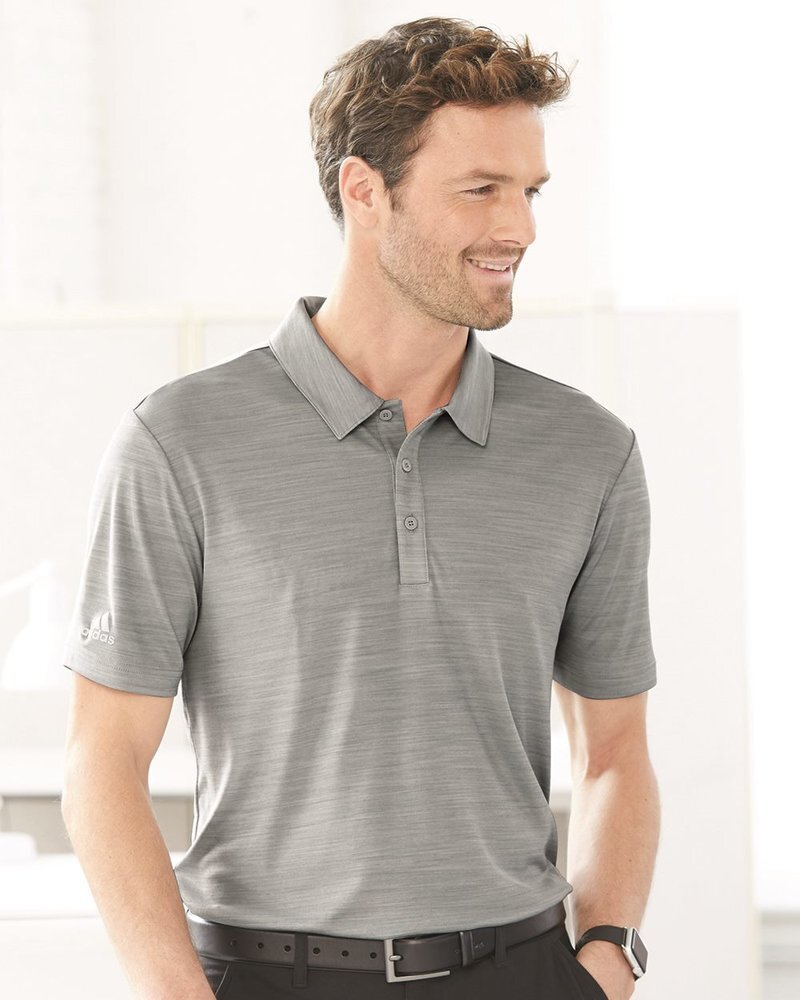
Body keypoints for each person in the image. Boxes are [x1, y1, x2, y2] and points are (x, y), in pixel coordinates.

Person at [60, 15, 660, 1000]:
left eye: (530, 190)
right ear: (364, 190)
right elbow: (103, 761)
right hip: (264, 975)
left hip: (518, 971)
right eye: (480, 189)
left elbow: (615, 753)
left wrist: (606, 957)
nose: (519, 228)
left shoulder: (588, 452)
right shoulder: (179, 442)